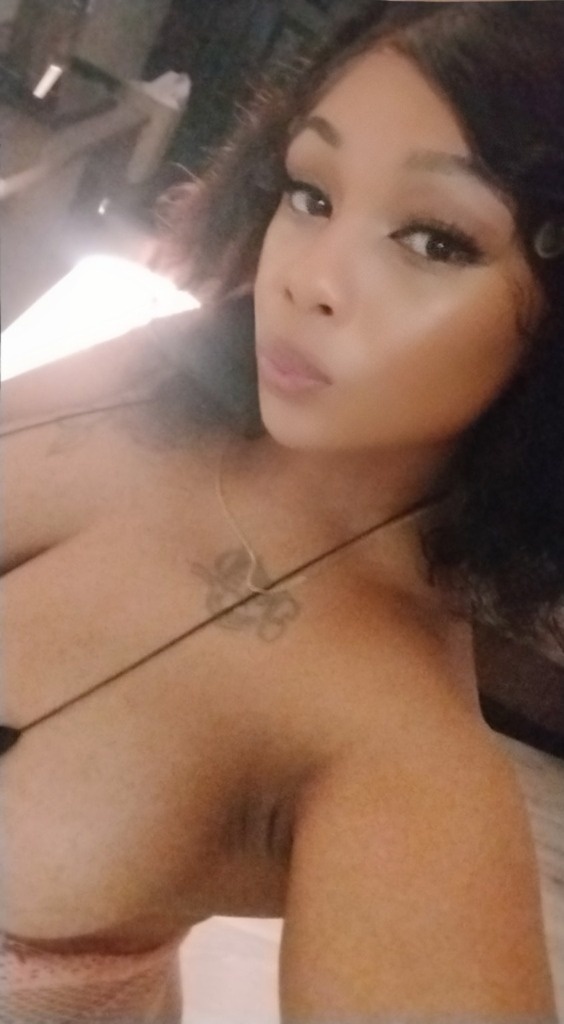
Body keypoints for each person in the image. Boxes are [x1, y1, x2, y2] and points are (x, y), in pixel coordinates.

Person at [1, 1, 563, 1020]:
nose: (309, 279)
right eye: (312, 192)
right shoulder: (158, 369)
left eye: (435, 239)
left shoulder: (397, 755)